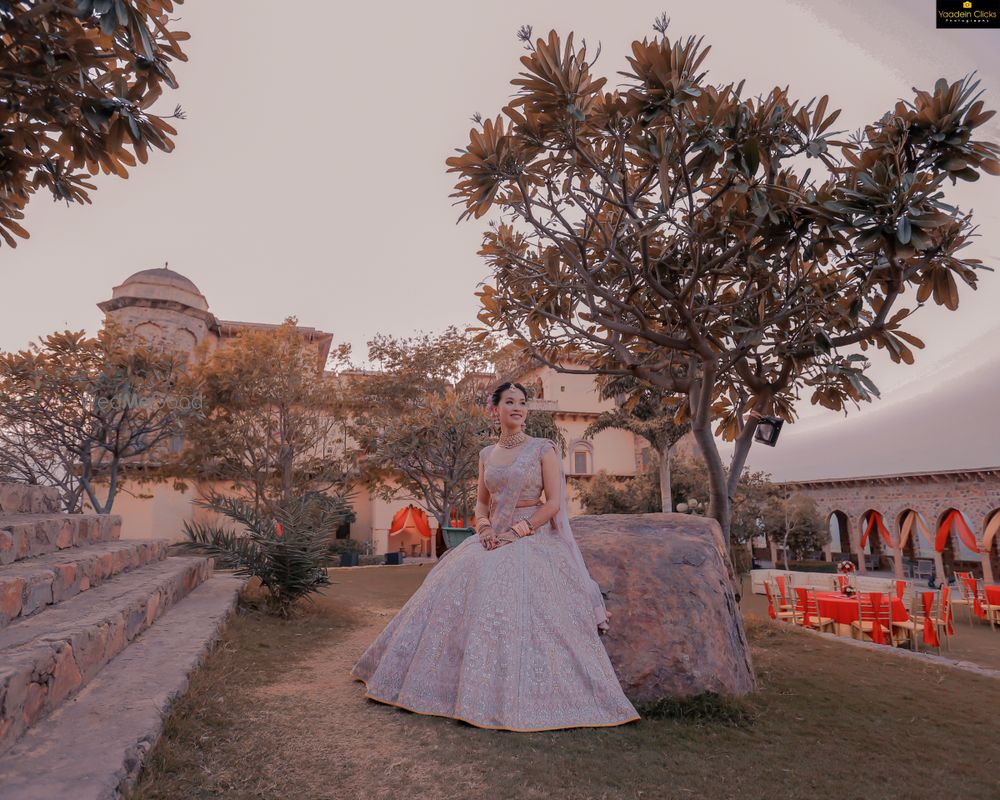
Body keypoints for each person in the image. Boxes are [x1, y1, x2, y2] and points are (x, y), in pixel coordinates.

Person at [350, 381, 640, 732]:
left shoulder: (542, 449)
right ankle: (445, 687)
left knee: (502, 585)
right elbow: (482, 502)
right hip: (491, 537)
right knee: (452, 578)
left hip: (533, 537)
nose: (517, 408)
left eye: (522, 402)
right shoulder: (487, 454)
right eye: (509, 402)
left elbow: (553, 504)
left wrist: (515, 532)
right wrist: (485, 530)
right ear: (495, 409)